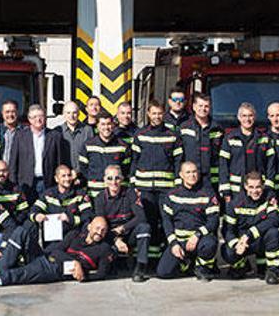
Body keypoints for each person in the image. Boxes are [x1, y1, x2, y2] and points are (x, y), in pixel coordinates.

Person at [0, 216, 114, 290]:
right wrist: (75, 262)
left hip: (54, 270)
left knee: (17, 275)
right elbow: (56, 250)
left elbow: (102, 273)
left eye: (103, 230)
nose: (99, 232)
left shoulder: (103, 249)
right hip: (44, 256)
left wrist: (83, 276)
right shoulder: (74, 235)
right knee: (21, 231)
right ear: (89, 227)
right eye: (97, 228)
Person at [129, 100, 183, 262]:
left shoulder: (172, 135)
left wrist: (178, 184)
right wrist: (133, 183)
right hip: (144, 188)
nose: (157, 116)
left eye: (160, 113)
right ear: (148, 114)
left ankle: (164, 256)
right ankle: (150, 259)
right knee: (149, 221)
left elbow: (178, 161)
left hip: (166, 188)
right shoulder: (140, 134)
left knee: (165, 221)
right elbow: (134, 160)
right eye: (154, 113)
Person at [156, 161, 220, 281]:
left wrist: (197, 235)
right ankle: (186, 264)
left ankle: (202, 267)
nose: (192, 175)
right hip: (179, 241)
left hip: (199, 239)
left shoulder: (208, 194)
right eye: (188, 172)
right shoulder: (172, 195)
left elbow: (213, 221)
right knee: (163, 272)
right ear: (181, 175)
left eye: (194, 172)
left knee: (210, 243)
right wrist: (173, 243)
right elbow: (167, 221)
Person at [221, 171, 279, 283]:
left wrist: (250, 233)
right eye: (251, 187)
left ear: (263, 186)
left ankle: (272, 270)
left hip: (259, 239)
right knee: (227, 251)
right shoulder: (235, 203)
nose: (255, 191)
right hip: (242, 243)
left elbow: (274, 220)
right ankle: (241, 266)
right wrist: (236, 244)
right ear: (245, 186)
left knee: (273, 233)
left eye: (258, 187)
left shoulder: (269, 197)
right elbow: (227, 229)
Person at [93, 164, 149, 282]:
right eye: (110, 178)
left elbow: (141, 217)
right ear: (104, 180)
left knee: (144, 227)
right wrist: (115, 239)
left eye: (117, 178)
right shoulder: (99, 198)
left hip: (128, 232)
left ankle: (140, 267)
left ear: (122, 179)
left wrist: (122, 228)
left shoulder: (130, 193)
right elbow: (101, 226)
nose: (114, 182)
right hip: (109, 235)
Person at [218, 102, 276, 202]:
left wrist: (268, 189)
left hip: (258, 190)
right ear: (239, 117)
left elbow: (271, 165)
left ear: (255, 117)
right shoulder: (230, 138)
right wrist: (226, 190)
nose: (247, 119)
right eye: (244, 116)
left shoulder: (264, 138)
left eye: (250, 116)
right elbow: (223, 165)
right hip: (236, 190)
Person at [9, 104, 65, 200]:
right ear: (29, 119)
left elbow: (60, 162)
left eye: (41, 116)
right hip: (26, 184)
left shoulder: (55, 136)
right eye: (34, 117)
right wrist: (13, 184)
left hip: (47, 182)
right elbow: (13, 162)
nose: (38, 119)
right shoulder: (20, 136)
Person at [29, 165, 94, 248]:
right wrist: (36, 216)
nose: (67, 179)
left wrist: (70, 219)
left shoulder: (80, 194)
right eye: (63, 176)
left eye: (69, 175)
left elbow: (87, 217)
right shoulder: (48, 194)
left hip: (73, 238)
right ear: (56, 178)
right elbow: (34, 210)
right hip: (52, 240)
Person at [179, 93, 223, 192]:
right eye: (200, 106)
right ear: (194, 107)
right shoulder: (184, 127)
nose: (203, 109)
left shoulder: (217, 129)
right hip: (190, 179)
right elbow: (179, 155)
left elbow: (221, 156)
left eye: (206, 106)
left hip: (211, 180)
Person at [80, 111, 129, 198]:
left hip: (116, 193)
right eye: (103, 124)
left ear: (113, 125)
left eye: (109, 124)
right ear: (97, 126)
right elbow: (83, 168)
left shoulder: (123, 146)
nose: (106, 127)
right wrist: (93, 179)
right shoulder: (88, 145)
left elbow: (126, 169)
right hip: (95, 193)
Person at [0, 160, 30, 226]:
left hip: (12, 226)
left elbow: (24, 212)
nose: (1, 174)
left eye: (4, 171)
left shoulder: (16, 190)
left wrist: (14, 226)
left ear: (8, 171)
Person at [56, 101, 93, 177]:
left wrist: (79, 173)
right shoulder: (57, 131)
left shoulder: (88, 130)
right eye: (68, 113)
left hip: (83, 176)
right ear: (63, 114)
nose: (71, 116)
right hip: (63, 177)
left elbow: (91, 155)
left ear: (79, 114)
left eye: (74, 113)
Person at [0, 100, 22, 164]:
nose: (10, 115)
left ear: (17, 112)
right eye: (7, 112)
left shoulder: (25, 131)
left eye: (13, 112)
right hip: (1, 170)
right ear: (2, 113)